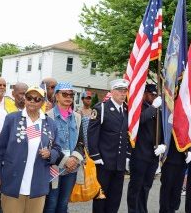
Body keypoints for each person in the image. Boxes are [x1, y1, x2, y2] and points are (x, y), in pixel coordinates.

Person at [0, 86, 62, 213]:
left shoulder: (50, 123)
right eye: (29, 98)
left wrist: (50, 153)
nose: (32, 101)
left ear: (42, 102)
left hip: (38, 184)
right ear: (25, 99)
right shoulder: (12, 119)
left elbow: (57, 149)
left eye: (37, 99)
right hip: (12, 181)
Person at [88, 78, 131, 213]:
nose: (123, 93)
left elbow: (128, 134)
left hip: (119, 162)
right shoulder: (101, 108)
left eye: (124, 91)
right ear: (112, 91)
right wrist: (95, 155)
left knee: (115, 197)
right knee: (101, 196)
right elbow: (92, 134)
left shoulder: (127, 110)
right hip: (104, 161)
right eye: (119, 90)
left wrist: (128, 155)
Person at [44, 82, 84, 213]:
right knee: (51, 204)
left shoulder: (77, 117)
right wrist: (64, 160)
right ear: (56, 95)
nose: (68, 97)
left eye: (71, 94)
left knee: (63, 204)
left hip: (72, 168)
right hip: (53, 168)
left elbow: (81, 142)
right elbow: (46, 144)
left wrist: (73, 159)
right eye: (64, 94)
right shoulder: (47, 116)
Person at [127, 84, 163, 213]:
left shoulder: (157, 110)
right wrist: (153, 107)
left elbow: (162, 129)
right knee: (136, 186)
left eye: (155, 95)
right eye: (152, 95)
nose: (154, 97)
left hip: (153, 155)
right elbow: (139, 120)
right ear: (144, 94)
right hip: (139, 154)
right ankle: (133, 210)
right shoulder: (139, 107)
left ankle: (142, 210)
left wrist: (163, 144)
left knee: (146, 186)